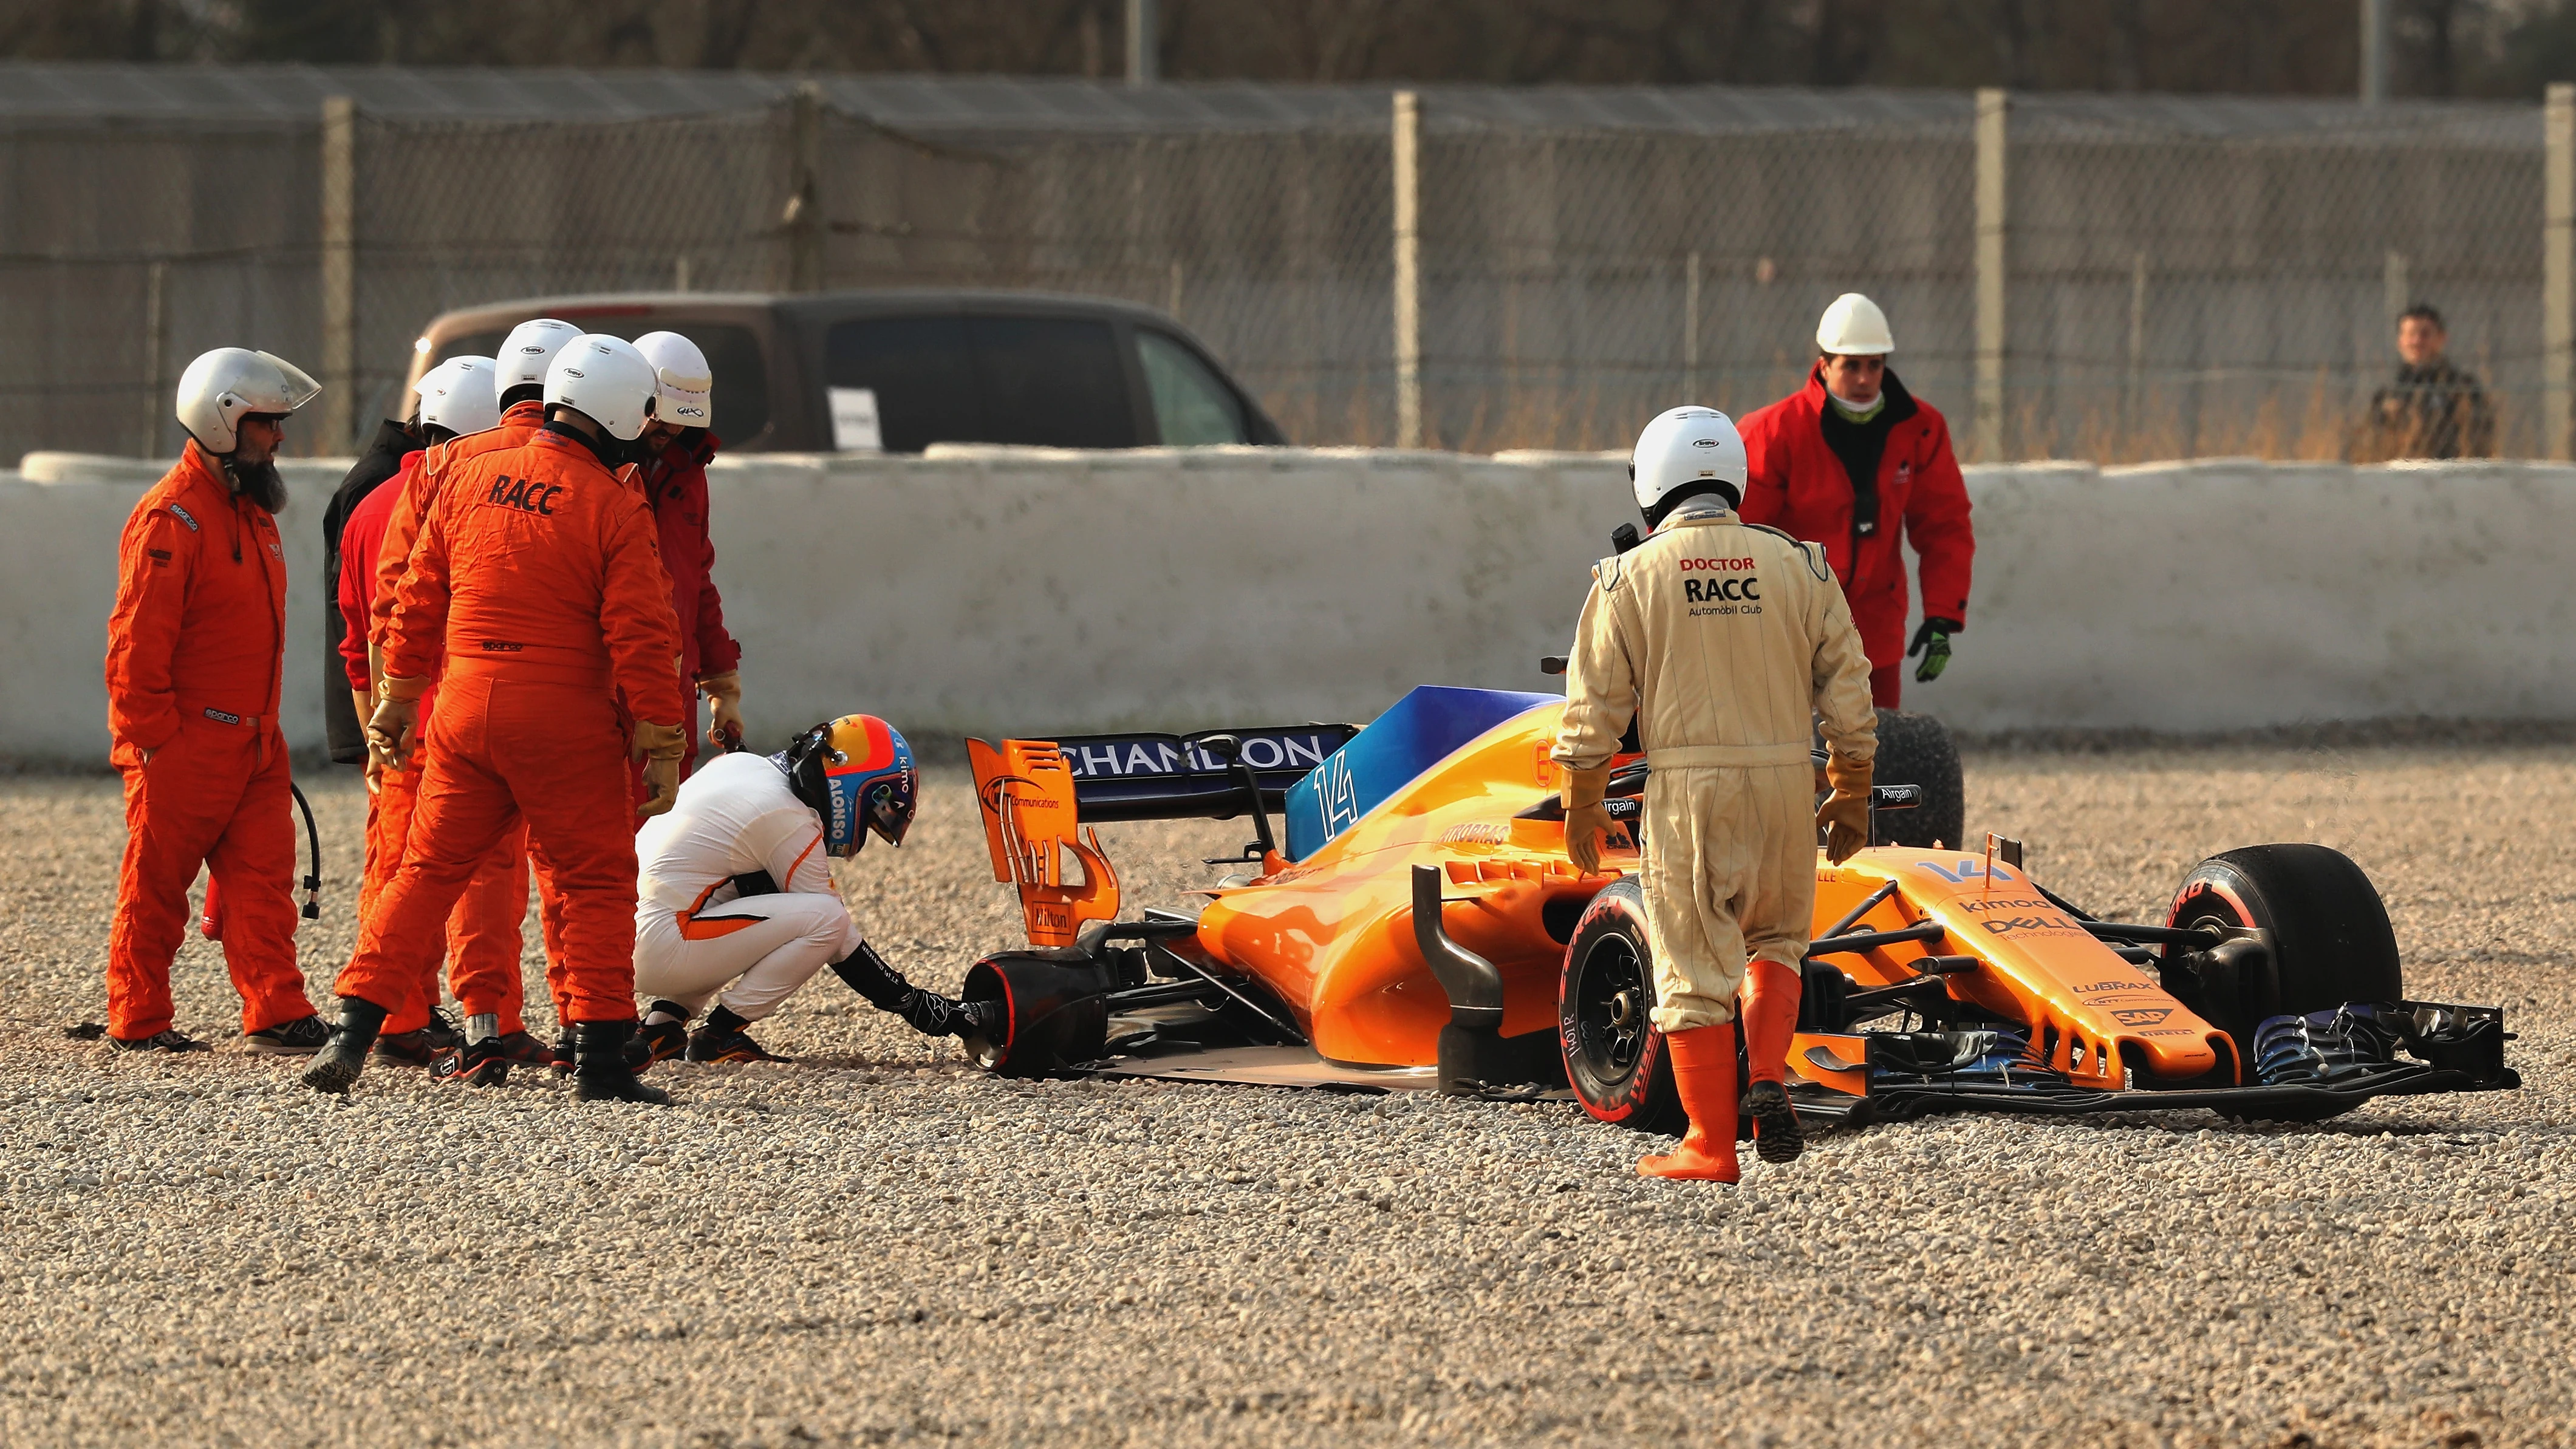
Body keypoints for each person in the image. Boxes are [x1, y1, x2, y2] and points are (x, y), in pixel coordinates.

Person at [306, 334, 688, 1104]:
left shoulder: (463, 475)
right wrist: (662, 738)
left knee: (424, 871)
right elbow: (643, 634)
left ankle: (353, 1028)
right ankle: (603, 1059)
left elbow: (414, 595)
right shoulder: (613, 504)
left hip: (463, 711)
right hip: (563, 721)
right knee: (594, 881)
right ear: (620, 414)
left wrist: (400, 695)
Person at [1554, 406, 1877, 1183]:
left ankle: (1709, 1143)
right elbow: (1848, 683)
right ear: (1731, 474)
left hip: (1688, 791)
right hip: (1782, 783)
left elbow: (1594, 701)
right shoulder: (1801, 565)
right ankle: (1766, 1073)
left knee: (1690, 966)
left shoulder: (1627, 576)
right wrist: (1851, 783)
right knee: (1776, 941)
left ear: (1652, 482)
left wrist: (1582, 795)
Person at [101, 349, 328, 1054]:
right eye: (267, 424)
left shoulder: (249, 510)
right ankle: (137, 1018)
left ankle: (276, 1010)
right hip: (190, 743)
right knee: (158, 886)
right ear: (226, 422)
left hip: (256, 742)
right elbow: (136, 642)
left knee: (265, 884)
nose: (280, 437)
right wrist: (156, 742)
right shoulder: (174, 517)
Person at [333, 356, 552, 1075]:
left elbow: (360, 632)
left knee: (398, 873)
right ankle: (488, 1023)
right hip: (460, 719)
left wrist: (374, 725)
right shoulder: (479, 489)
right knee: (487, 878)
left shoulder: (367, 506)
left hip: (403, 725)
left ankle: (395, 1019)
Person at [628, 715, 999, 1065]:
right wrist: (916, 1005)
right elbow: (839, 938)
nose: (867, 830)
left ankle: (664, 1026)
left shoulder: (741, 766)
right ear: (852, 783)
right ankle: (720, 1035)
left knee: (751, 891)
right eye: (875, 814)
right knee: (825, 918)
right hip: (660, 947)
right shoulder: (789, 817)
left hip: (626, 936)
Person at [1737, 293, 1973, 709]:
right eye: (1851, 366)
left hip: (1874, 630)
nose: (1864, 379)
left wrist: (1941, 615)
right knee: (1788, 756)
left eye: (1874, 365)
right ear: (1824, 365)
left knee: (1873, 756)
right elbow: (1736, 535)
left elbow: (1944, 525)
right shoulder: (1772, 433)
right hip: (1788, 626)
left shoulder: (1919, 429)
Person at [627, 332, 746, 785]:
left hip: (673, 694)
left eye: (681, 421)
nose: (671, 430)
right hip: (611, 694)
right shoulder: (597, 475)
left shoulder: (689, 474)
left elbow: (696, 582)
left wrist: (721, 683)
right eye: (663, 419)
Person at [2352, 304, 2495, 462]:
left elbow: (2480, 439)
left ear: (2441, 338)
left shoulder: (2462, 388)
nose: (2417, 341)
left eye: (2425, 334)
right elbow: (2369, 442)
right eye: (2410, 334)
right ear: (2400, 341)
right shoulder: (2388, 393)